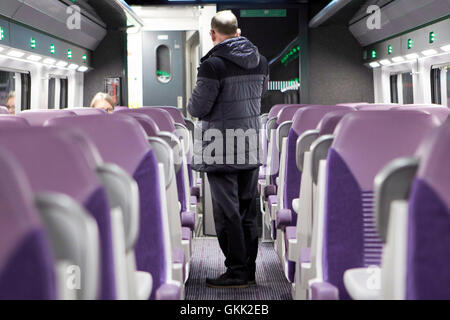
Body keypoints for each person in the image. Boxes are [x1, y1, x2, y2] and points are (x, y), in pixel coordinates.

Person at [187, 10, 269, 288]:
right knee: (248, 210)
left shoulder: (212, 65)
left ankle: (235, 272)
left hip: (220, 147)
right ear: (238, 31)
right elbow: (258, 97)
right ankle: (248, 270)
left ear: (213, 34)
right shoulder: (261, 62)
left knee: (226, 213)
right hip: (249, 143)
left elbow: (198, 107)